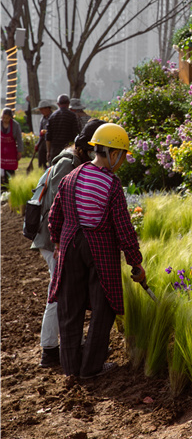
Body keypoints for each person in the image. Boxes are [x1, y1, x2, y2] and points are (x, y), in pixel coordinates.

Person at [48, 123, 145, 380]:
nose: (123, 161)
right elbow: (124, 228)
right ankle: (91, 367)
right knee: (103, 308)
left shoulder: (71, 177)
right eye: (122, 155)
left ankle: (71, 368)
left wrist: (59, 243)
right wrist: (136, 263)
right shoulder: (112, 184)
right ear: (112, 153)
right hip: (99, 251)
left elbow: (55, 214)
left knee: (70, 307)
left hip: (70, 248)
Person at [31, 118, 105, 368]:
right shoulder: (67, 163)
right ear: (87, 147)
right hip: (53, 239)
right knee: (59, 293)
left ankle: (62, 346)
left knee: (64, 292)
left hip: (61, 238)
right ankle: (50, 349)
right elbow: (56, 207)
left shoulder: (73, 159)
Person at [45, 94, 80, 165]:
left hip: (54, 149)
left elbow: (48, 136)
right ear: (68, 103)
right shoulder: (72, 116)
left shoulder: (52, 116)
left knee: (53, 169)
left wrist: (48, 151)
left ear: (58, 104)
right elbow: (76, 134)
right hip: (68, 149)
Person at [1, 107, 23, 185]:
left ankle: (11, 187)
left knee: (10, 172)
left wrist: (19, 152)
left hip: (11, 152)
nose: (5, 119)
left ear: (10, 117)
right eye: (3, 117)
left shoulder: (15, 125)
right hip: (1, 151)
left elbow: (19, 140)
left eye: (7, 118)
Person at [33, 99, 57, 170]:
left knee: (50, 158)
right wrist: (38, 143)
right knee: (41, 156)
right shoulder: (42, 119)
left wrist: (47, 132)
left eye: (42, 109)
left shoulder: (53, 117)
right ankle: (42, 169)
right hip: (43, 141)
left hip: (51, 141)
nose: (41, 111)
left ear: (48, 109)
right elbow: (41, 133)